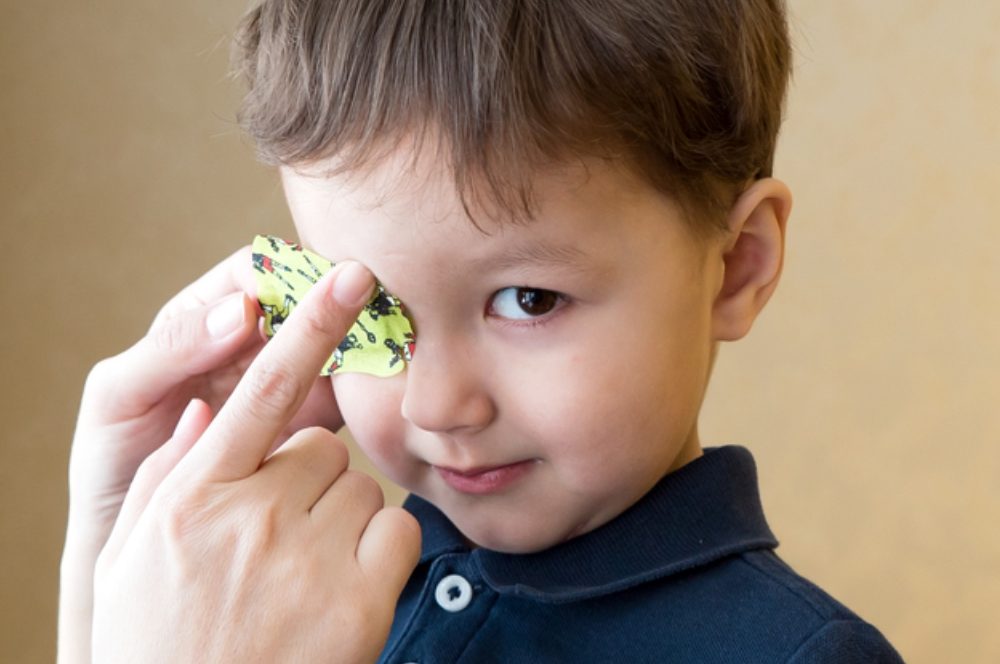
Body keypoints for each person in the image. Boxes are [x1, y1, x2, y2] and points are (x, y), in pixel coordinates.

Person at [60, 1, 905, 662]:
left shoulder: (800, 655)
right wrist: (106, 577)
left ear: (739, 265)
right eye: (370, 310)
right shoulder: (286, 606)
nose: (438, 405)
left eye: (528, 300)